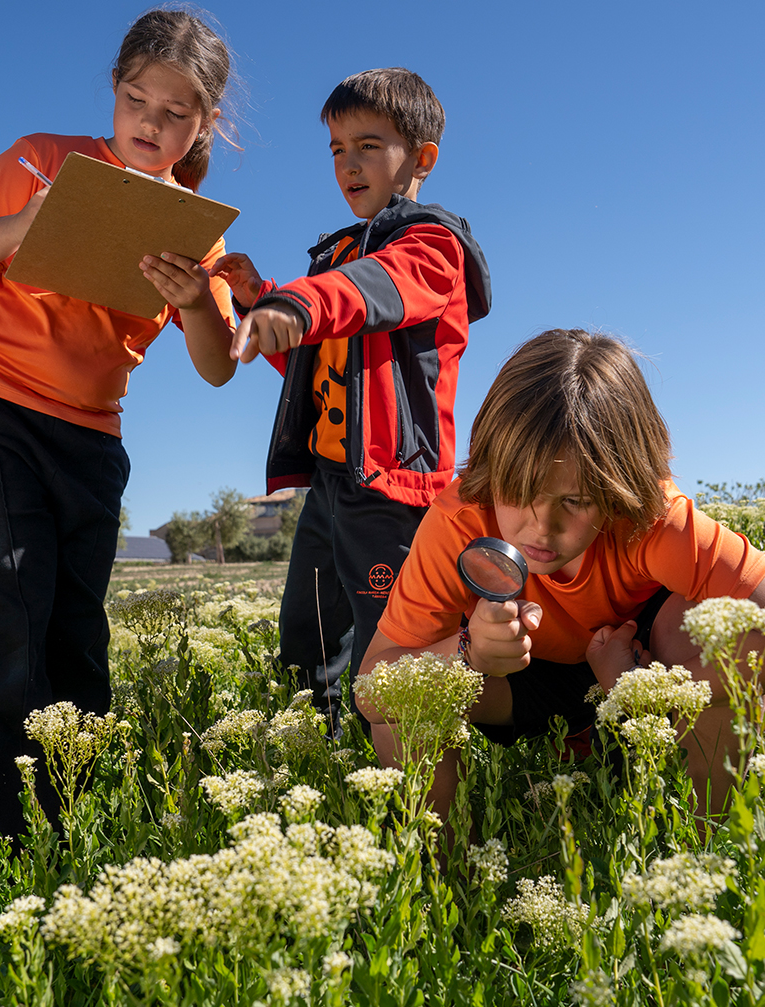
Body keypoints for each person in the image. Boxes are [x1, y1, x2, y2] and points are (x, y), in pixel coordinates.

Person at [0, 8, 239, 840]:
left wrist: (197, 299)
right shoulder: (47, 160)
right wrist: (28, 224)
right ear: (114, 91)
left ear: (205, 125)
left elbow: (217, 362)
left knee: (73, 645)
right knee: (1, 628)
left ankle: (65, 841)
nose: (150, 125)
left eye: (174, 115)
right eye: (136, 101)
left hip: (90, 442)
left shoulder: (195, 233)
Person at [357, 329, 765, 821]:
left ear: (620, 483)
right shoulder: (459, 519)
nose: (541, 527)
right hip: (519, 674)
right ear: (490, 466)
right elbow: (370, 692)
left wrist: (636, 690)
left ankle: (706, 846)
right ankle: (447, 880)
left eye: (576, 501)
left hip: (634, 656)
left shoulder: (653, 518)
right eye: (519, 492)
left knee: (707, 633)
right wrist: (469, 653)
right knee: (404, 703)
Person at [215, 68, 492, 725]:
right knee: (307, 638)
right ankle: (325, 758)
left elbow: (374, 289)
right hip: (331, 486)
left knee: (391, 644)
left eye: (367, 145)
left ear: (421, 157)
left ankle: (412, 774)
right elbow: (314, 361)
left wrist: (296, 302)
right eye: (336, 149)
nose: (347, 163)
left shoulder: (431, 245)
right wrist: (263, 303)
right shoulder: (338, 257)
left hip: (392, 492)